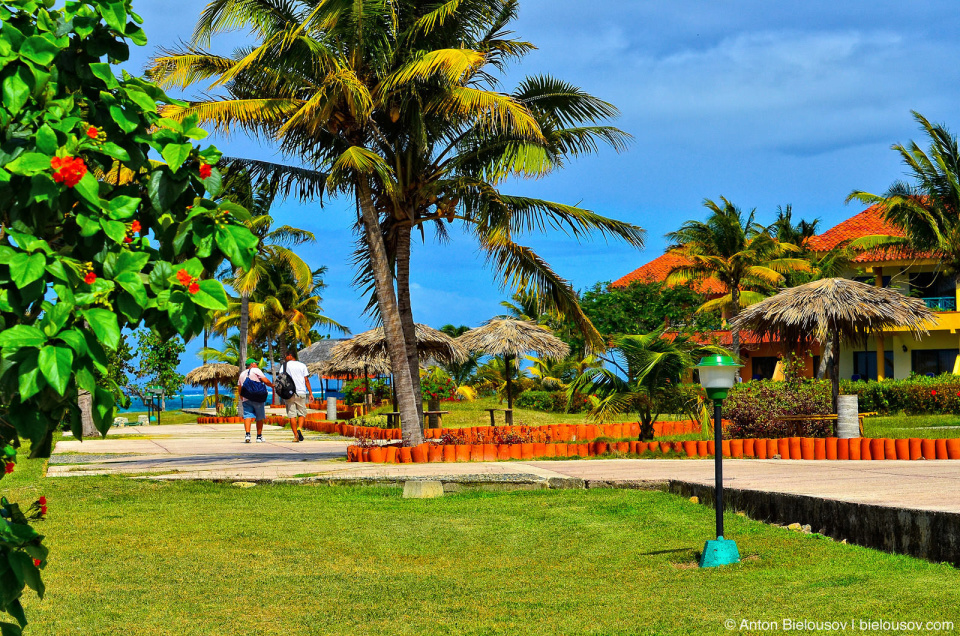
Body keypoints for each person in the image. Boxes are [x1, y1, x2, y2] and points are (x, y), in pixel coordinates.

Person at [239, 358, 273, 443]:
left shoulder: (242, 374)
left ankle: (247, 435)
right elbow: (265, 380)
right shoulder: (256, 370)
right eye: (256, 363)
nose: (257, 365)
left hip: (246, 398)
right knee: (259, 417)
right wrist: (272, 385)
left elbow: (240, 387)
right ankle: (259, 436)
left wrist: (241, 398)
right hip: (257, 397)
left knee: (247, 416)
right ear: (252, 364)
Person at [281, 350, 312, 442]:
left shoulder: (284, 366)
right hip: (301, 392)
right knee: (302, 413)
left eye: (286, 356)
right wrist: (310, 393)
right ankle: (300, 428)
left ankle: (295, 436)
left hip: (289, 393)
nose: (285, 358)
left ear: (290, 356)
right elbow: (306, 380)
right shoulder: (302, 365)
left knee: (292, 415)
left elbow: (281, 378)